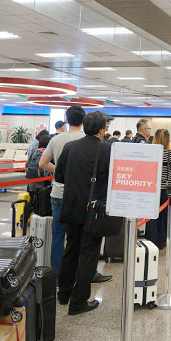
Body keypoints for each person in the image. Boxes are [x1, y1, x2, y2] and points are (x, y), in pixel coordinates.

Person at [55, 110, 112, 315]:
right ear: (101, 129)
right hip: (94, 210)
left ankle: (63, 293)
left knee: (70, 249)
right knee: (88, 253)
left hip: (71, 206)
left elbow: (59, 176)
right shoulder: (106, 150)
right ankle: (78, 302)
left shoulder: (70, 147)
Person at [38, 105, 101, 278]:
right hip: (82, 195)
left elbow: (42, 163)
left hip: (58, 193)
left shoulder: (56, 139)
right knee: (80, 236)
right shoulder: (89, 140)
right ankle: (82, 273)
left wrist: (60, 170)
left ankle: (58, 276)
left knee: (58, 235)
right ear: (84, 120)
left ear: (66, 119)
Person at [146, 129, 171, 249]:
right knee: (165, 216)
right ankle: (163, 240)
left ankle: (152, 241)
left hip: (152, 187)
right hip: (166, 188)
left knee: (152, 216)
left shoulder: (151, 151)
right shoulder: (169, 152)